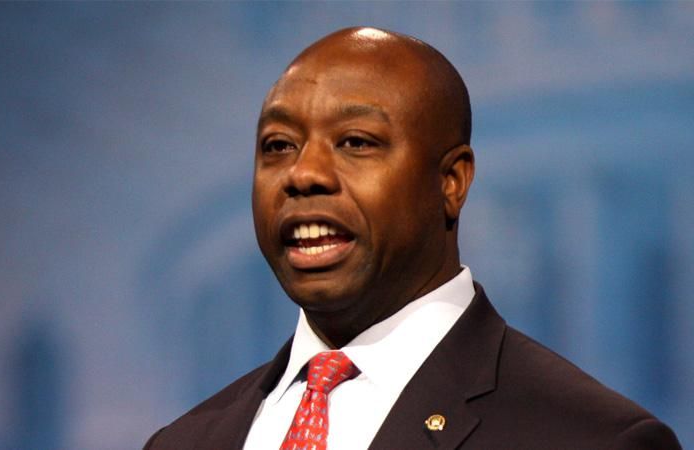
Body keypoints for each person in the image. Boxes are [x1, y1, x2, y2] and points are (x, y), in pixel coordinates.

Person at [144, 27, 681, 449]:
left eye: (355, 142)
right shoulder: (183, 442)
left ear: (451, 183)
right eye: (279, 145)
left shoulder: (593, 438)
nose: (303, 173)